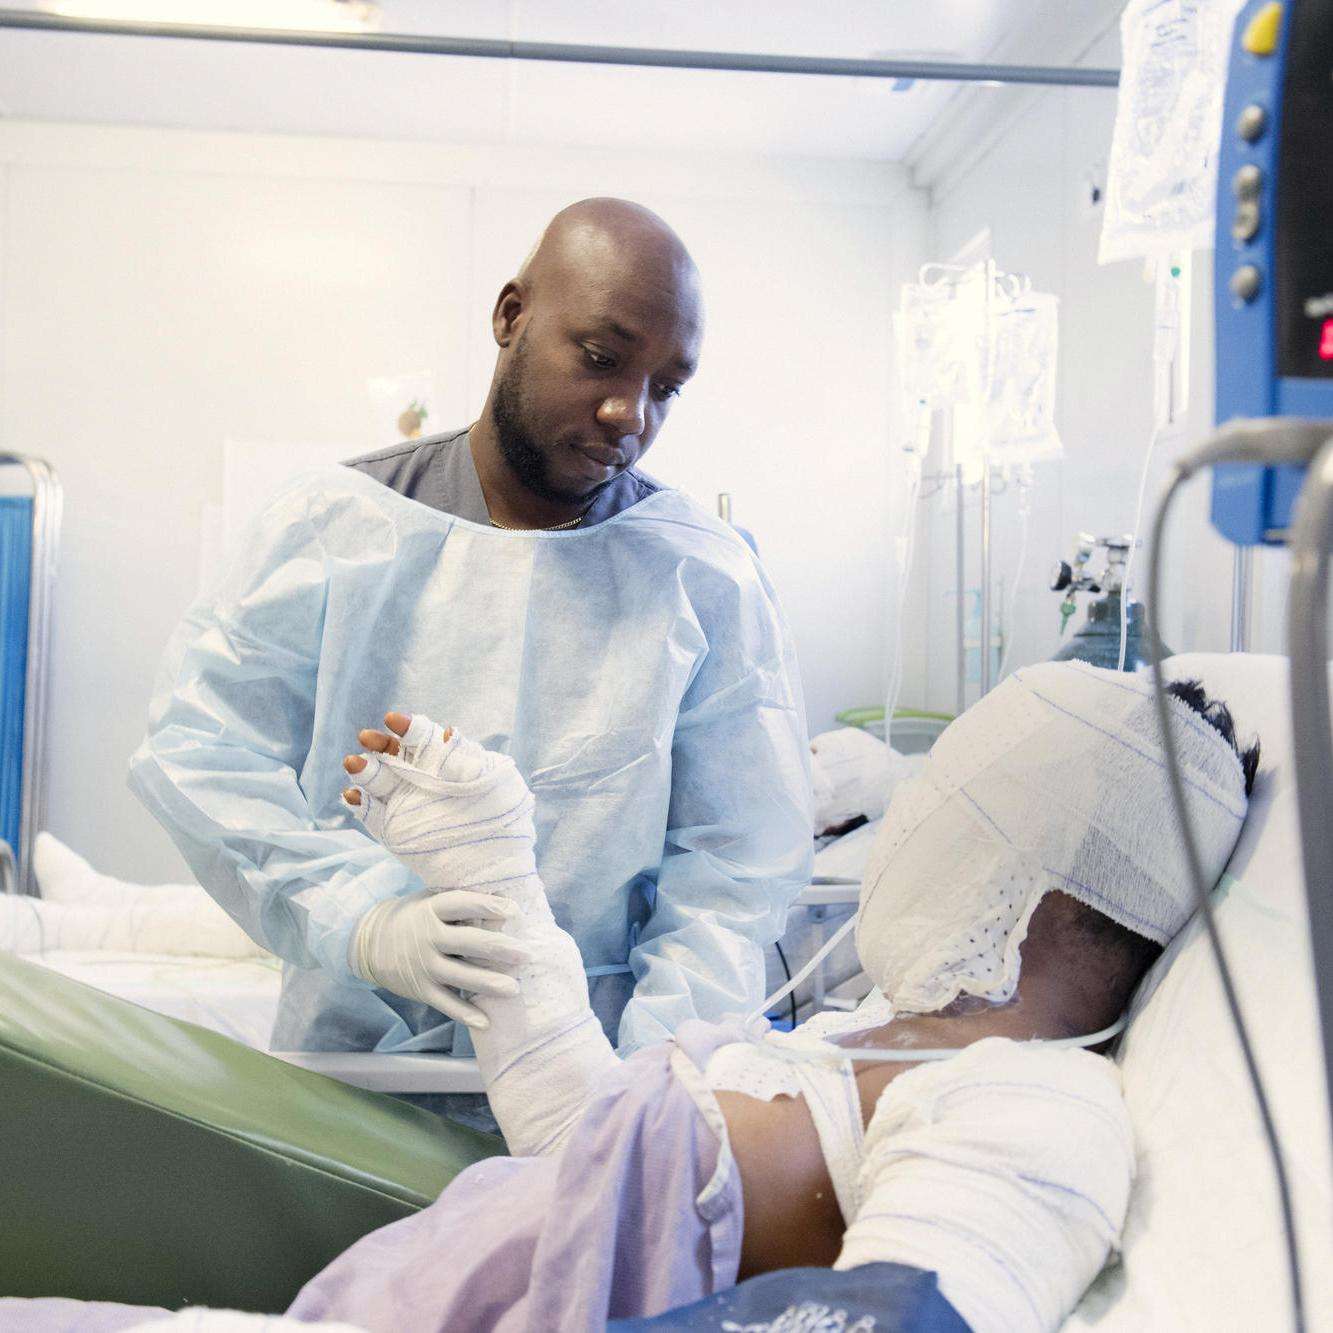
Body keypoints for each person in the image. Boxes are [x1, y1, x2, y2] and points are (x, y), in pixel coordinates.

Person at [2, 662, 1257, 1333]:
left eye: (940, 809)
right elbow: (588, 1155)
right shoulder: (860, 1038)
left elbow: (901, 1318)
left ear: (1027, 885)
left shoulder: (1033, 1110)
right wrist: (495, 881)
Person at [127, 199, 813, 1104]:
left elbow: (734, 866)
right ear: (510, 315)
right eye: (601, 359)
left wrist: (637, 1082)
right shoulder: (335, 529)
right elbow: (202, 752)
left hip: (601, 1082)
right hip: (351, 1071)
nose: (627, 413)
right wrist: (362, 920)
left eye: (666, 387)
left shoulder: (702, 576)